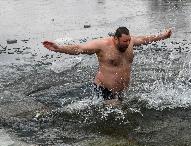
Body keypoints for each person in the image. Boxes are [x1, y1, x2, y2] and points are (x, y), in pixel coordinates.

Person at [43, 27, 172, 102]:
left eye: (128, 41)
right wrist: (59, 48)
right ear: (115, 38)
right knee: (119, 116)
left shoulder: (130, 42)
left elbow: (145, 39)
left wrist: (163, 36)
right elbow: (79, 48)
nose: (127, 44)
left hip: (121, 91)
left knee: (122, 111)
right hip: (104, 89)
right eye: (124, 41)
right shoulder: (102, 45)